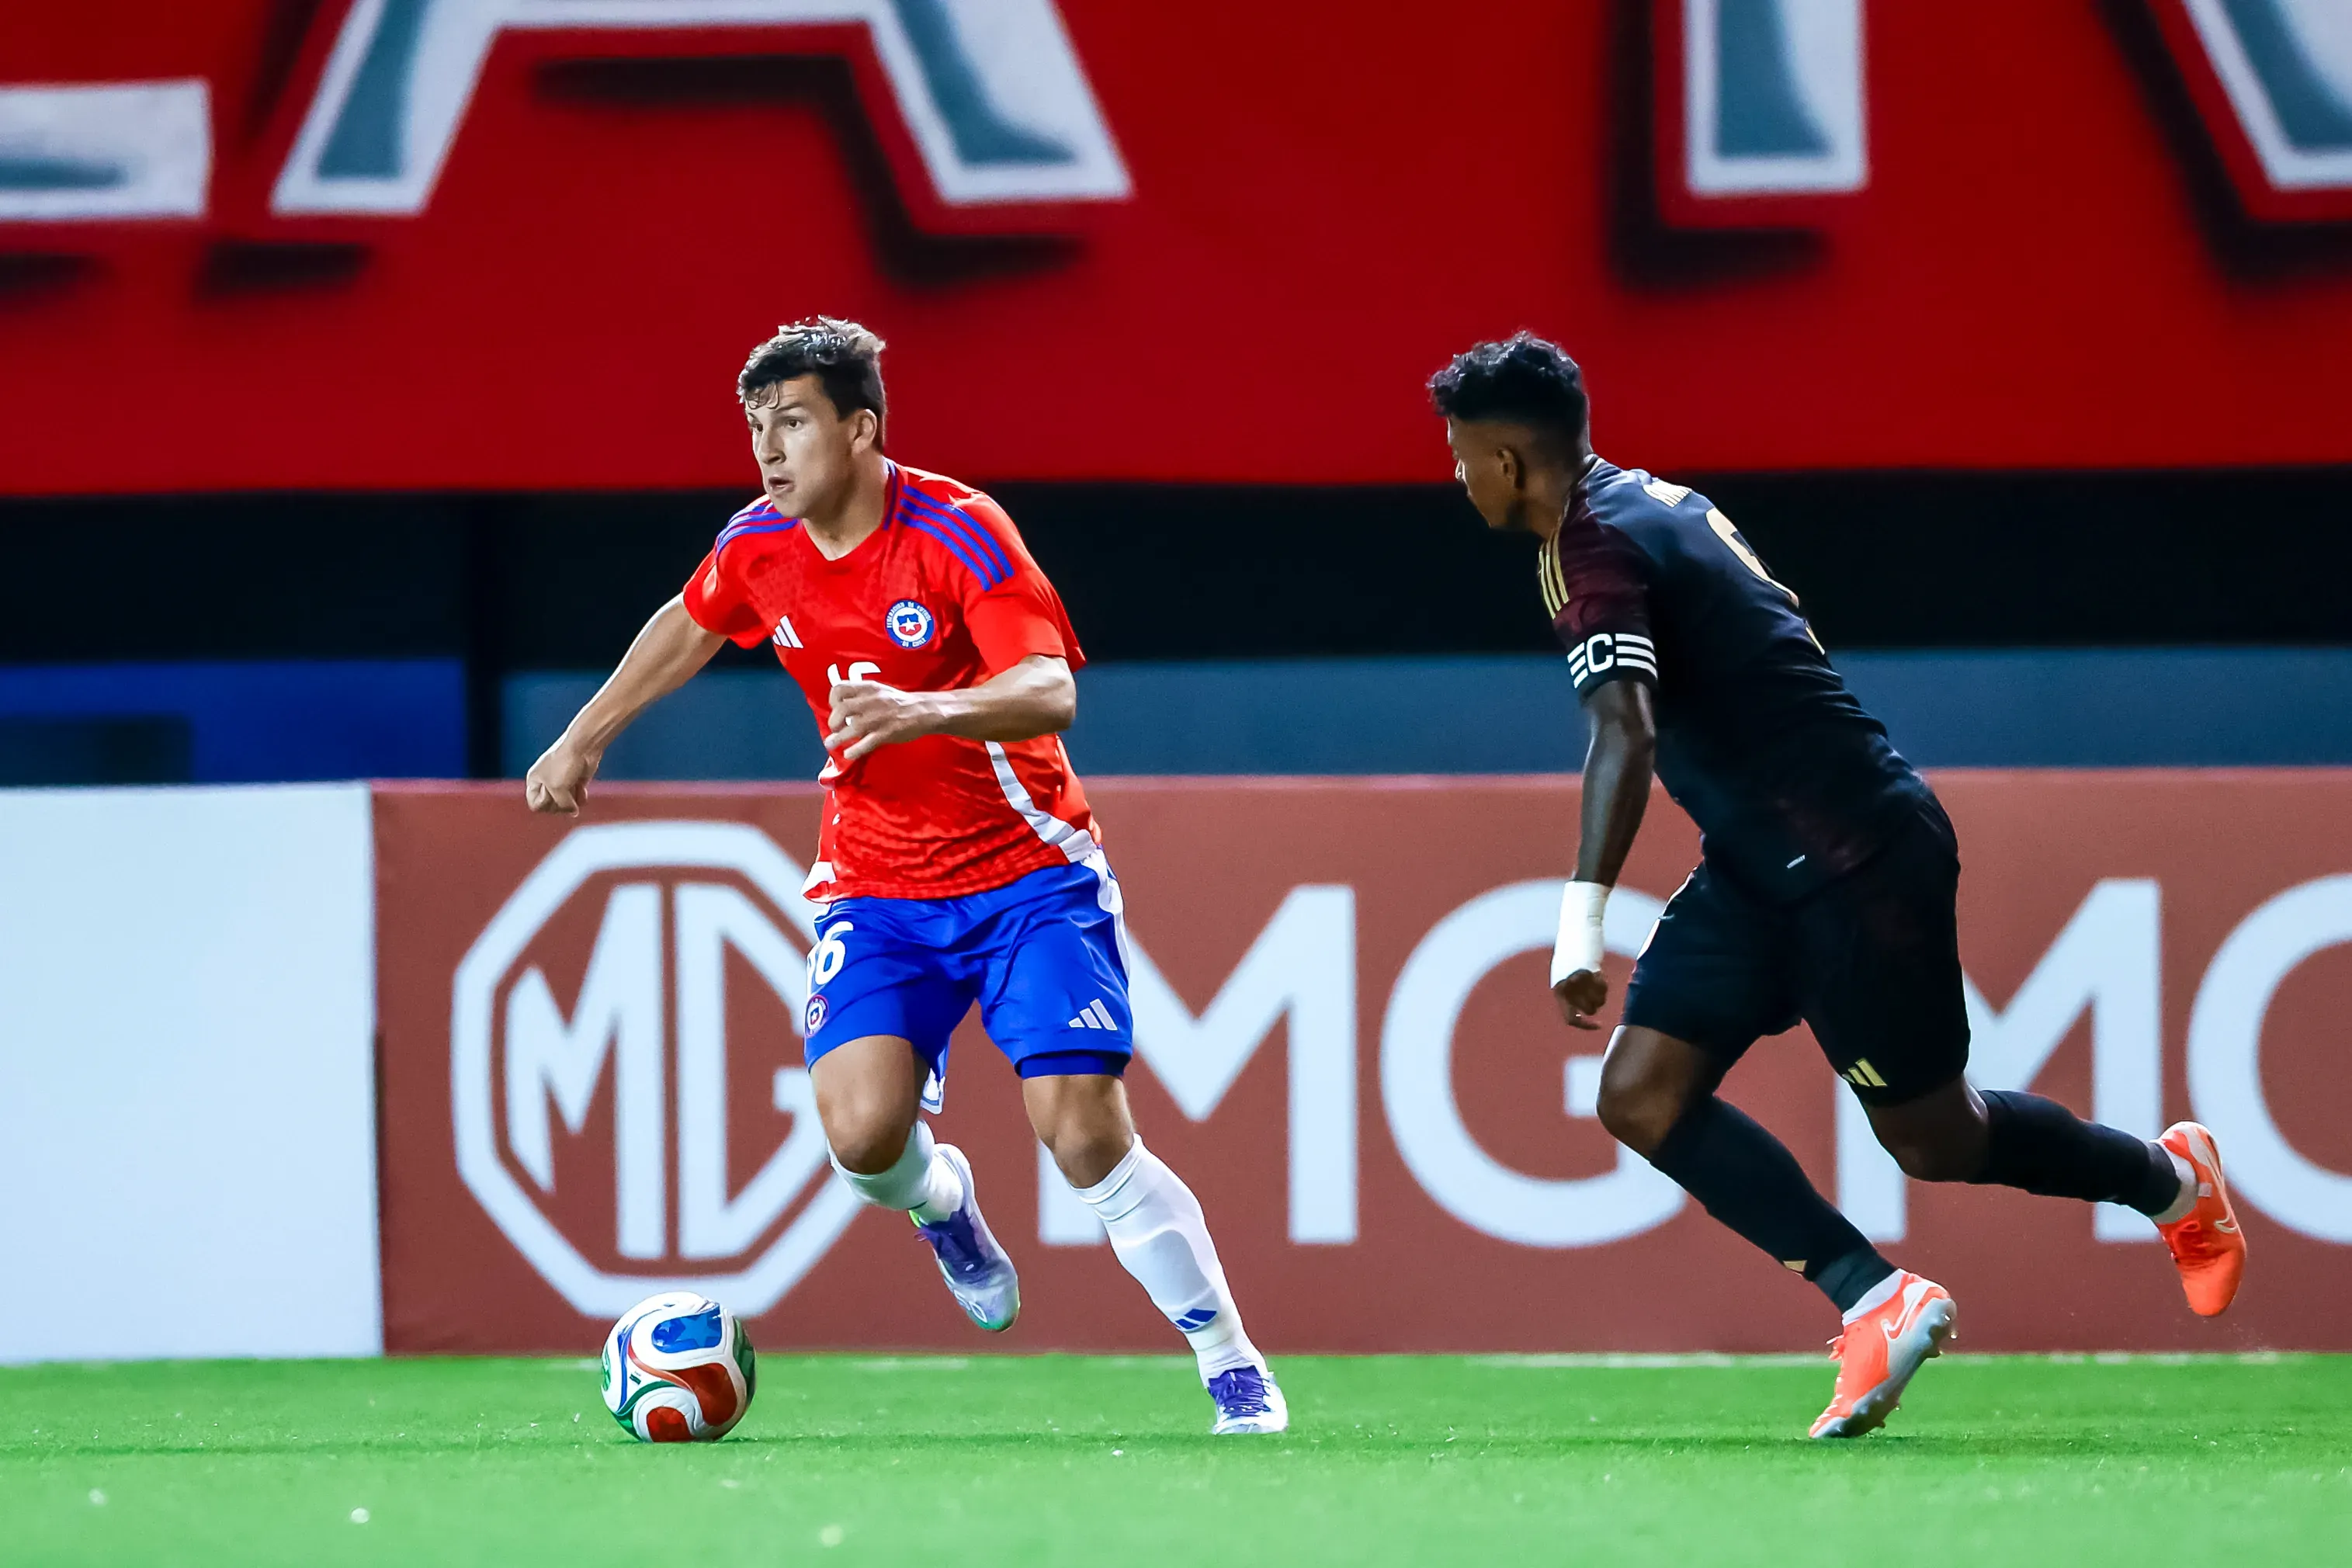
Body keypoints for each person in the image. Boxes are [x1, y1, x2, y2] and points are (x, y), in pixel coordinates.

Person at [1428, 331, 2246, 1439]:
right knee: (1639, 1096)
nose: (1456, 475)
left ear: (1510, 462)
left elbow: (1623, 732)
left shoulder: (1596, 545)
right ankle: (1876, 1298)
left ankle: (2168, 1181)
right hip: (1762, 864)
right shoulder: (1644, 504)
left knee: (1932, 1140)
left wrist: (1579, 923)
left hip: (1857, 858)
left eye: (1461, 454)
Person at [527, 317, 1284, 1435]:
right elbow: (687, 627)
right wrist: (584, 735)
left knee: (1080, 1130)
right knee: (862, 1138)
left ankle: (1229, 1360)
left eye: (792, 422)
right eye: (755, 429)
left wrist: (922, 706)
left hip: (1029, 872)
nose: (769, 450)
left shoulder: (958, 532)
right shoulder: (756, 545)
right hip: (875, 887)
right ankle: (945, 1206)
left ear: (861, 427)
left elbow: (1048, 689)